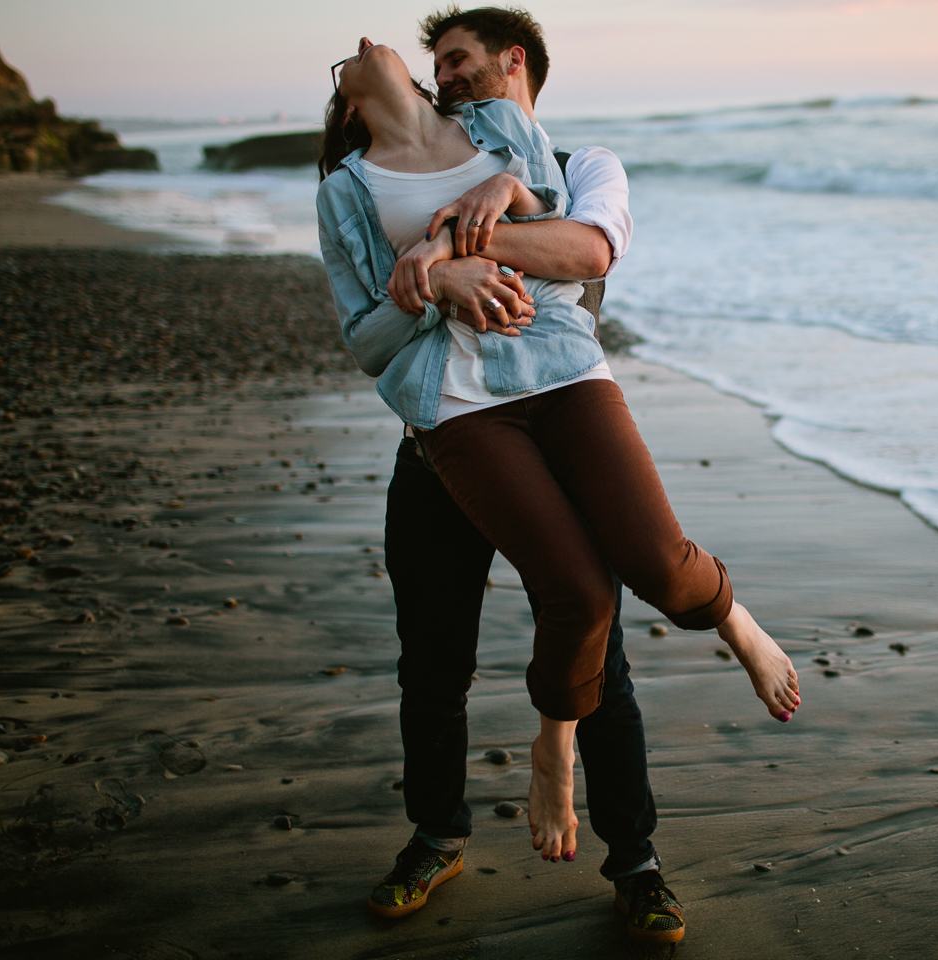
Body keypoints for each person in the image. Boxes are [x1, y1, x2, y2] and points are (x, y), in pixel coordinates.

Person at [316, 17, 800, 945]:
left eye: (456, 59)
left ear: (512, 66)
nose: (441, 72)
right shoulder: (355, 187)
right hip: (444, 429)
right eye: (436, 64)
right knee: (435, 657)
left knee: (595, 628)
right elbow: (368, 329)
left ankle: (636, 860)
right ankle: (436, 833)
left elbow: (587, 253)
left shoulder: (569, 161)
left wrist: (465, 244)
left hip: (558, 397)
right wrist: (437, 282)